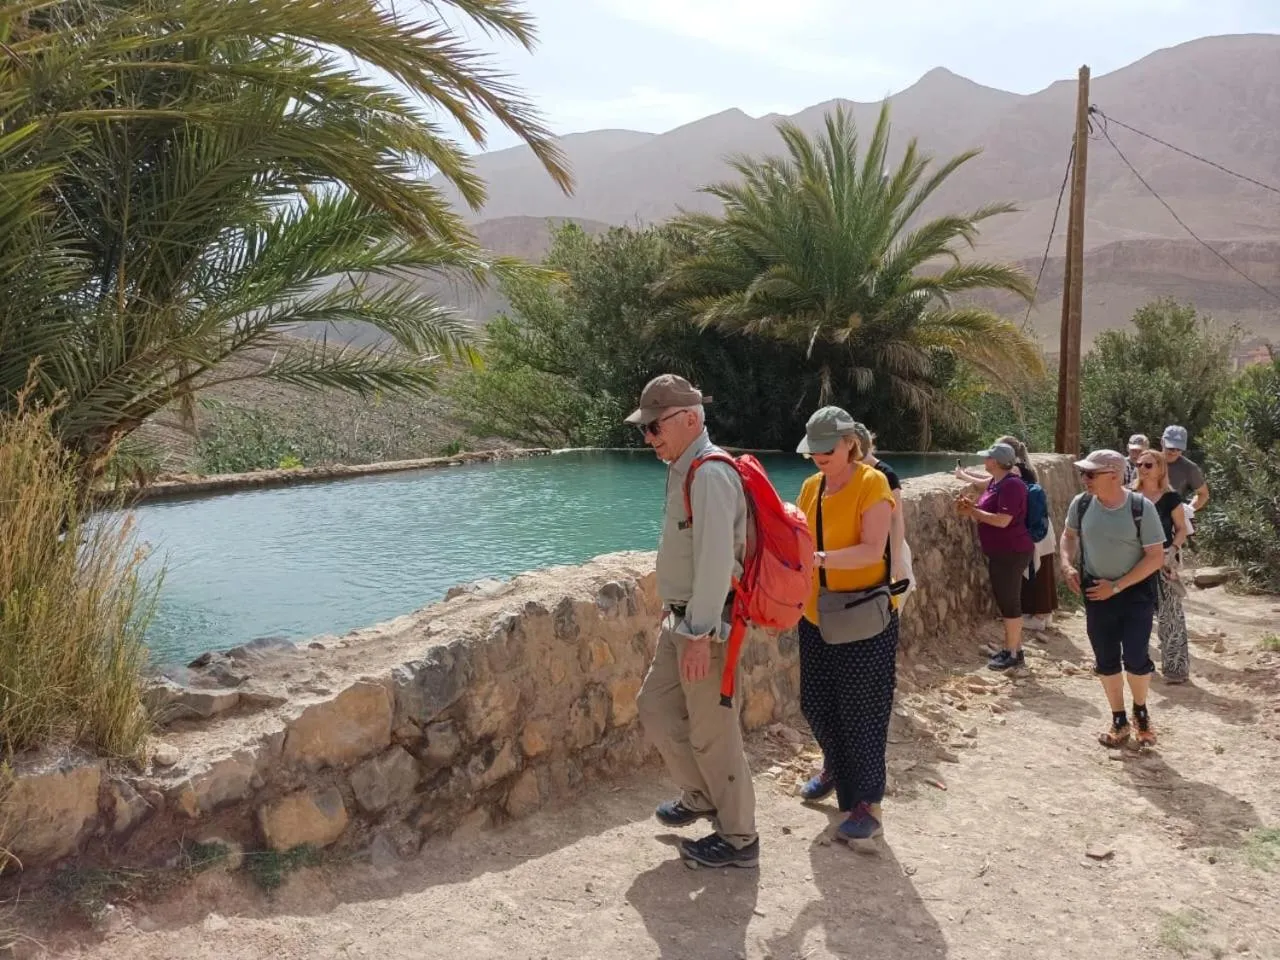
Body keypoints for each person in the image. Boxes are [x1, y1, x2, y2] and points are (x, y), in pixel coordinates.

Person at [630, 374, 758, 869]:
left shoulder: (709, 473)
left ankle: (740, 837)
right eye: (644, 429)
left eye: (654, 427)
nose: (649, 438)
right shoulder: (683, 468)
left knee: (713, 733)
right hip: (681, 621)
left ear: (688, 418)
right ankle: (701, 796)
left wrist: (701, 633)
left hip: (707, 626)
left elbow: (715, 561)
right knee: (655, 707)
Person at [792, 407, 898, 843]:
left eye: (827, 449)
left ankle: (868, 804)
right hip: (816, 615)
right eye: (814, 450)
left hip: (861, 618)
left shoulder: (873, 484)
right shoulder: (810, 487)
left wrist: (819, 559)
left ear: (850, 443)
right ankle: (835, 767)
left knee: (863, 712)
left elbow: (873, 549)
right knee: (816, 704)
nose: (819, 457)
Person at [1060, 449, 1166, 747]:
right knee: (1105, 659)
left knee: (1136, 657)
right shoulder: (1081, 504)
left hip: (1135, 593)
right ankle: (1119, 719)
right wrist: (1066, 564)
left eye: (1091, 474)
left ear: (1115, 475)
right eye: (1083, 473)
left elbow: (1155, 557)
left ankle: (1140, 712)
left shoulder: (1141, 508)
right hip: (1097, 591)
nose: (1085, 479)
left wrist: (1117, 587)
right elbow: (1068, 536)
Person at [956, 442, 1035, 671]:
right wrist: (972, 506)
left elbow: (1002, 520)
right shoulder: (996, 482)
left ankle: (1013, 654)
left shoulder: (1011, 486)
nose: (984, 461)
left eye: (988, 458)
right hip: (1002, 551)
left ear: (997, 462)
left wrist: (972, 511)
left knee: (1009, 602)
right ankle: (1014, 649)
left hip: (1011, 551)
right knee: (1007, 601)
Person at [1132, 449, 1191, 683]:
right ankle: (1138, 665)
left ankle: (1176, 668)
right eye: (1139, 464)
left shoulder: (1170, 498)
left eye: (1148, 465)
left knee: (1171, 615)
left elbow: (1181, 529)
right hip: (1135, 562)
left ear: (1160, 469)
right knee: (1136, 614)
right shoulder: (1130, 496)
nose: (1142, 469)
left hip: (1164, 561)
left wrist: (1173, 551)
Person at [852, 421, 914, 606]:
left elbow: (896, 519)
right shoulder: (852, 472)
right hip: (865, 549)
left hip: (889, 550)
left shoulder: (887, 474)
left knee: (890, 605)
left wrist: (895, 562)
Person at [1160, 425, 1210, 514]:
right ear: (1162, 442)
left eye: (1179, 449)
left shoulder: (1189, 468)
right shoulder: (1146, 462)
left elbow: (1203, 494)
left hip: (1171, 516)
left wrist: (1189, 510)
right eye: (1170, 448)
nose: (1174, 452)